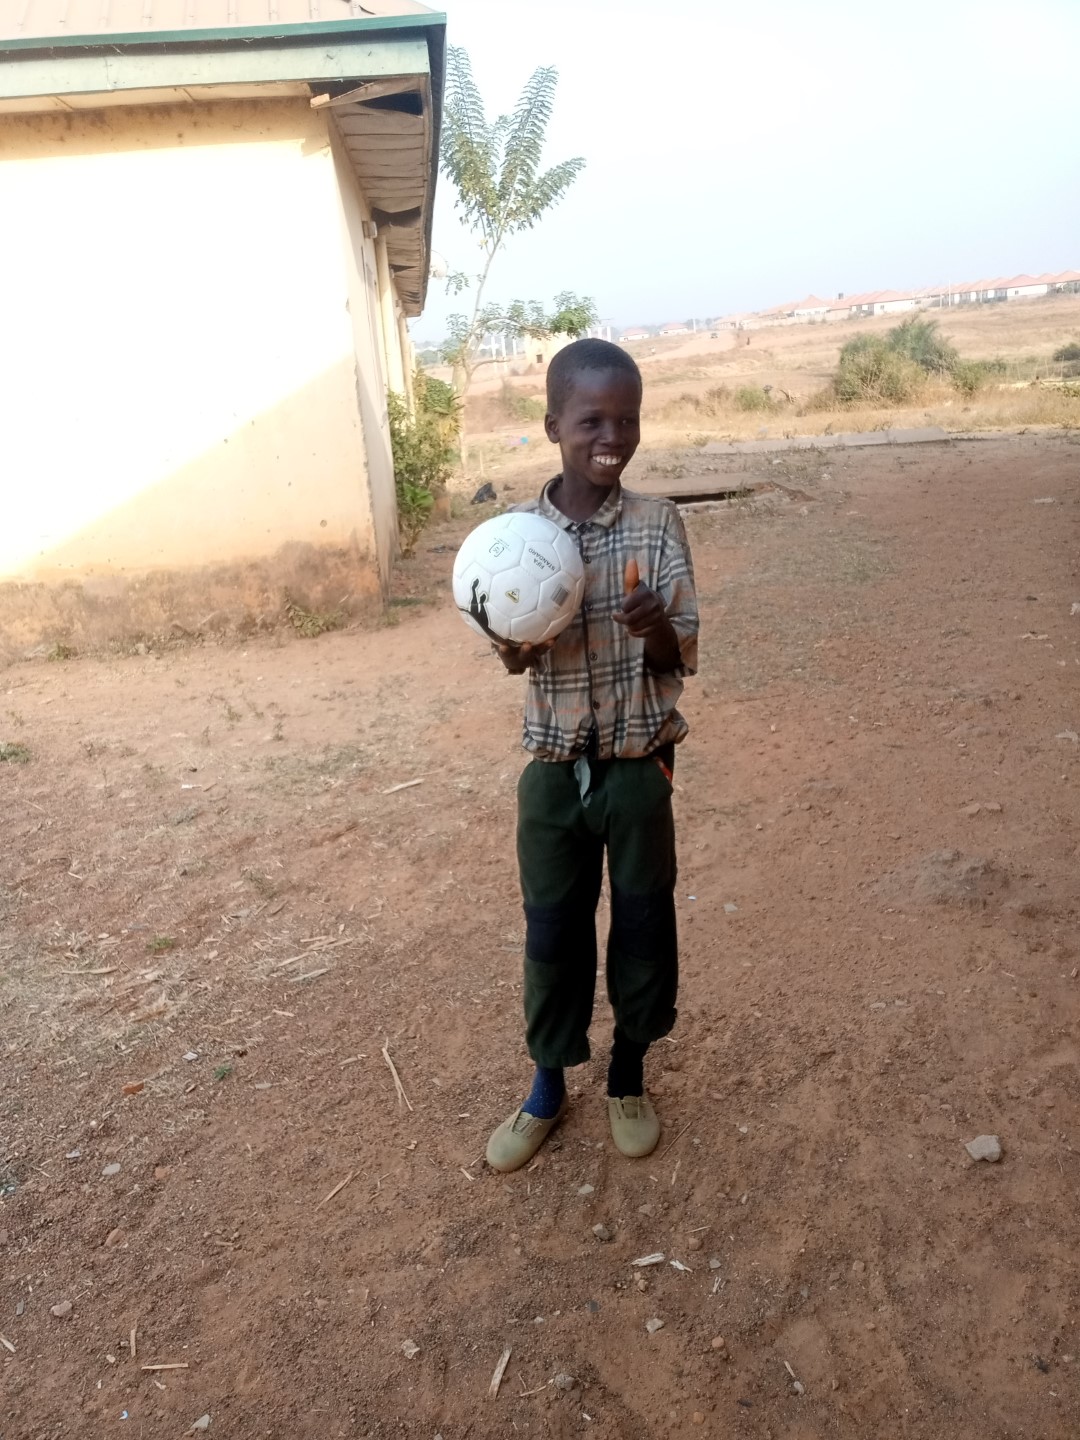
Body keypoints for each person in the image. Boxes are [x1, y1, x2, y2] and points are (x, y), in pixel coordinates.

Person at [485, 338, 699, 1173]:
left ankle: (628, 1073)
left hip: (639, 764)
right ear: (553, 426)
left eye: (627, 420)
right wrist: (515, 649)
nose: (612, 437)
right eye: (591, 421)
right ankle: (547, 1085)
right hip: (551, 771)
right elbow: (514, 657)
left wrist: (655, 629)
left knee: (644, 925)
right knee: (552, 932)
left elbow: (680, 655)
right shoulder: (517, 538)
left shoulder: (657, 523)